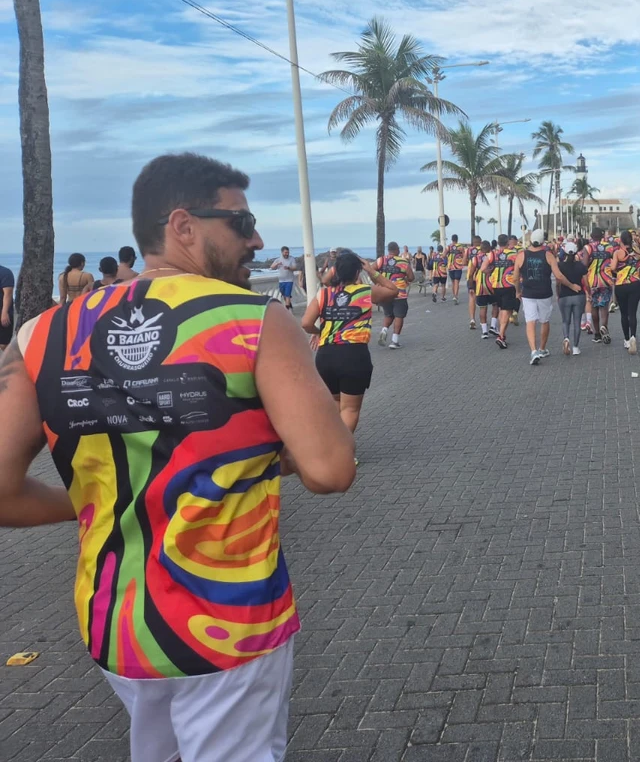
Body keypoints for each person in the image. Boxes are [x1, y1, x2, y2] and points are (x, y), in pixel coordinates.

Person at [0, 151, 356, 762]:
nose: (258, 239)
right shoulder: (256, 321)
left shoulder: (40, 334)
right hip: (230, 617)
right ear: (183, 226)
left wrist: (96, 502)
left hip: (115, 620)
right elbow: (330, 468)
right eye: (242, 224)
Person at [303, 251, 398, 432]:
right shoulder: (365, 292)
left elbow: (306, 323)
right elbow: (393, 290)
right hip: (353, 355)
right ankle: (343, 453)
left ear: (335, 271)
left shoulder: (324, 295)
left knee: (334, 405)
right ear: (357, 273)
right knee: (350, 409)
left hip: (326, 355)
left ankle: (331, 449)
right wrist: (371, 271)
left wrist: (321, 332)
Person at [511, 229, 570, 365]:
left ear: (531, 240)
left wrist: (517, 291)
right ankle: (542, 348)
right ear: (543, 242)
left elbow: (515, 278)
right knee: (544, 320)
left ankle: (533, 351)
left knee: (530, 321)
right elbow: (558, 276)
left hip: (528, 294)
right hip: (544, 293)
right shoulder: (548, 255)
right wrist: (572, 286)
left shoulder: (521, 255)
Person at [608, 229, 640, 355]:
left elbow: (613, 268)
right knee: (633, 313)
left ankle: (626, 339)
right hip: (635, 285)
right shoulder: (638, 253)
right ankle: (633, 337)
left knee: (624, 314)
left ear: (621, 240)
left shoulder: (618, 253)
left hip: (621, 285)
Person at [479, 235, 520, 349]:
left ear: (498, 243)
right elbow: (519, 269)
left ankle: (502, 334)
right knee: (507, 311)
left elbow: (482, 269)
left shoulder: (493, 254)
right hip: (508, 285)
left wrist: (490, 272)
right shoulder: (513, 254)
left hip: (496, 285)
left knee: (502, 309)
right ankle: (501, 336)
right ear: (508, 242)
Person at [375, 241, 414, 349]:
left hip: (385, 293)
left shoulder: (381, 260)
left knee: (389, 314)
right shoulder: (403, 261)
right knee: (399, 316)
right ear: (397, 250)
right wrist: (405, 278)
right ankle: (394, 341)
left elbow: (371, 270)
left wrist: (378, 282)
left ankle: (384, 330)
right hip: (399, 293)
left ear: (389, 250)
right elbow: (411, 277)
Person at [580, 227, 614, 344]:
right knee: (604, 306)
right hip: (606, 280)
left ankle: (597, 334)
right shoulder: (609, 247)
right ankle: (604, 326)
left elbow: (584, 265)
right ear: (602, 236)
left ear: (591, 236)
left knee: (594, 306)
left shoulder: (588, 248)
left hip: (592, 281)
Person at [557, 241, 587, 356]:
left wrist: (558, 295)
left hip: (564, 296)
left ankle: (566, 338)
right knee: (577, 322)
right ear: (575, 253)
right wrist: (588, 292)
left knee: (565, 321)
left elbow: (558, 283)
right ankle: (575, 347)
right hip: (579, 296)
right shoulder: (580, 266)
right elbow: (586, 282)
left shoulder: (560, 266)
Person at [270, 245, 299, 310]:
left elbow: (295, 268)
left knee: (287, 295)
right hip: (281, 280)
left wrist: (289, 268)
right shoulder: (278, 260)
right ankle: (288, 303)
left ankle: (287, 310)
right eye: (285, 253)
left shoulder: (292, 259)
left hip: (289, 280)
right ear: (282, 252)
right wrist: (277, 264)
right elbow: (272, 267)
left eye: (288, 252)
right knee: (284, 294)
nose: (287, 254)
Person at [447, 234, 467, 305]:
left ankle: (454, 296)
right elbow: (465, 255)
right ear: (457, 239)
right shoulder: (461, 247)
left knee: (453, 282)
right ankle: (456, 296)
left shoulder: (449, 247)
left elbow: (443, 255)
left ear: (452, 239)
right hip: (458, 266)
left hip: (450, 267)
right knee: (456, 282)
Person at [0, 261, 13, 351]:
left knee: (4, 344)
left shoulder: (5, 272)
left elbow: (8, 294)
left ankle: (8, 363)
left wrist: (4, 312)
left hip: (2, 311)